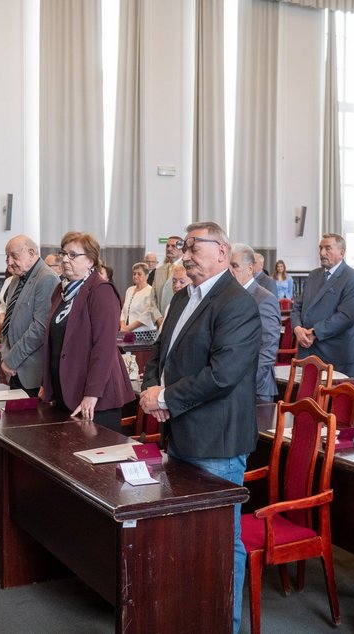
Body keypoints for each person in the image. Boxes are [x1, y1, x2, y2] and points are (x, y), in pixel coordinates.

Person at [140, 221, 260, 634]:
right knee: (187, 534)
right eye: (184, 247)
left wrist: (166, 398)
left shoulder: (237, 303)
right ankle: (192, 614)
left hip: (217, 441)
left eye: (194, 247)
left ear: (223, 252)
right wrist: (152, 389)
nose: (185, 254)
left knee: (222, 540)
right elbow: (160, 353)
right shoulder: (182, 298)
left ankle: (223, 621)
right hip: (181, 432)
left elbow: (223, 374)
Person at [41, 232, 134, 431]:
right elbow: (54, 341)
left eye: (73, 255)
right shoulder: (61, 290)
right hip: (65, 390)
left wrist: (92, 393)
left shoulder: (101, 291)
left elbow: (104, 348)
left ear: (90, 261)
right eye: (63, 254)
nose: (65, 259)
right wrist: (47, 384)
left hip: (96, 398)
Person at [290, 233, 354, 376]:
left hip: (335, 353)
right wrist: (297, 328)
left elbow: (345, 316)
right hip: (307, 350)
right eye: (320, 248)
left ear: (341, 253)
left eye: (328, 248)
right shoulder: (313, 275)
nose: (322, 253)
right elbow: (297, 306)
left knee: (331, 398)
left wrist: (315, 332)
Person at [0, 235, 60, 397]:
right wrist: (6, 358)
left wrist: (11, 360)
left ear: (31, 253)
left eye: (14, 256)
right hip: (14, 368)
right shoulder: (16, 279)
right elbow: (9, 322)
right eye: (7, 257)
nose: (9, 262)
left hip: (31, 373)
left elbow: (39, 329)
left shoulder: (47, 278)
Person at [230, 243, 281, 403]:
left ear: (250, 268)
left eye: (235, 266)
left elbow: (268, 348)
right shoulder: (228, 296)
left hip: (256, 387)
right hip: (231, 384)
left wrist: (246, 381)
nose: (230, 271)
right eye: (228, 266)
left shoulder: (264, 299)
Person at [120, 262, 161, 334]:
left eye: (139, 274)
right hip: (127, 331)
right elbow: (124, 310)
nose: (135, 276)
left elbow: (147, 314)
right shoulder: (130, 289)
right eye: (134, 274)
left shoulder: (150, 290)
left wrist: (129, 328)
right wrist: (123, 326)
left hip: (144, 332)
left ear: (146, 276)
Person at [151, 236, 182, 322]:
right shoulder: (159, 270)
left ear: (181, 249)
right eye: (167, 246)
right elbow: (152, 298)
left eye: (173, 246)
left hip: (179, 319)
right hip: (160, 322)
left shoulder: (187, 269)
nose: (169, 248)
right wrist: (158, 318)